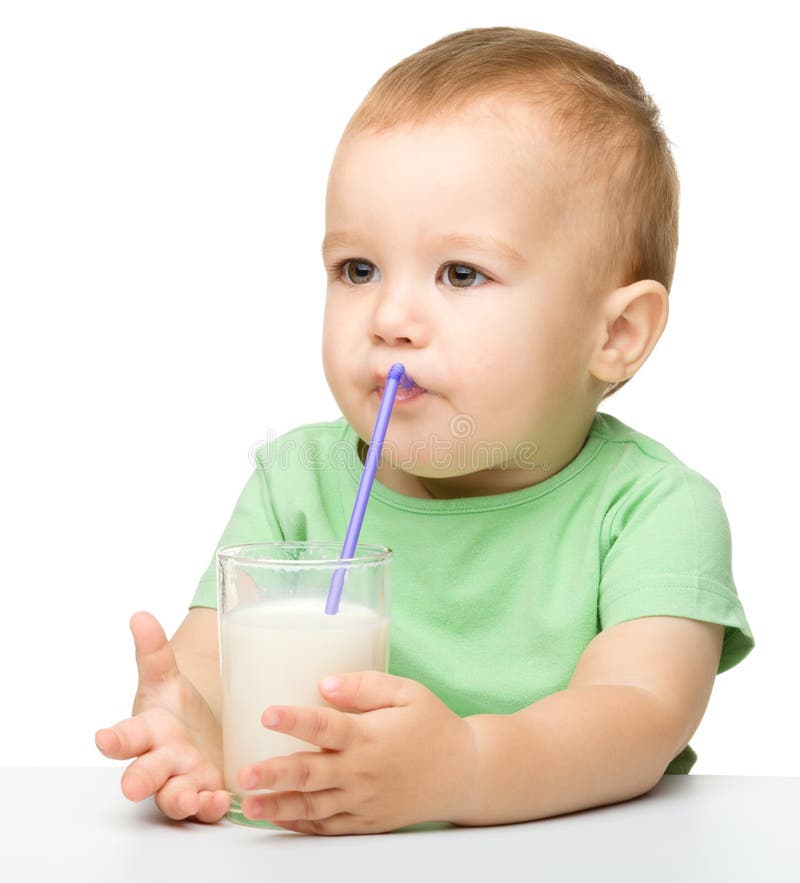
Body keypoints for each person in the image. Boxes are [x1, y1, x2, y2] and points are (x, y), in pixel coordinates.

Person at [95, 26, 754, 835]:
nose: (390, 316)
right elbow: (212, 660)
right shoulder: (295, 482)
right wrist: (193, 725)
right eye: (358, 269)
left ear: (615, 334)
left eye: (461, 273)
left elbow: (638, 715)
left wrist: (464, 768)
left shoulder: (653, 512)